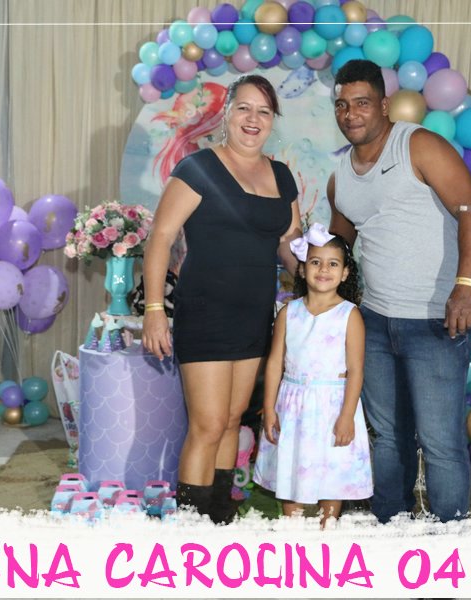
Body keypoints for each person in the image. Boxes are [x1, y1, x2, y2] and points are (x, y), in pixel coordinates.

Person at [327, 60, 471, 523]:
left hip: (436, 319)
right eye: (342, 105)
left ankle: (448, 542)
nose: (351, 113)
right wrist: (292, 243)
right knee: (387, 438)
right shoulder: (340, 174)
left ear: (384, 105)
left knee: (440, 443)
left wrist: (466, 287)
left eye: (361, 102)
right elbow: (338, 246)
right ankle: (391, 529)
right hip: (375, 323)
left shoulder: (419, 145)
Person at [142, 75, 302, 524]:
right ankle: (190, 528)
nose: (253, 119)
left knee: (232, 421)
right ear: (227, 113)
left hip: (254, 315)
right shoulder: (198, 169)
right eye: (244, 108)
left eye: (264, 111)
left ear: (273, 120)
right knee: (208, 424)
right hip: (205, 312)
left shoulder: (281, 175)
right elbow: (161, 239)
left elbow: (288, 241)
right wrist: (154, 310)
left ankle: (218, 518)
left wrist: (316, 282)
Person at [253, 223, 372, 528]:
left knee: (332, 471)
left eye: (333, 264)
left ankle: (326, 530)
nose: (323, 270)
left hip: (333, 406)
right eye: (316, 262)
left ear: (344, 273)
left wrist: (347, 415)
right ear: (303, 269)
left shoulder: (350, 315)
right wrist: (269, 408)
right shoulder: (288, 313)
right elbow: (275, 363)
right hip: (292, 407)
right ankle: (293, 532)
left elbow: (356, 369)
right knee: (291, 469)